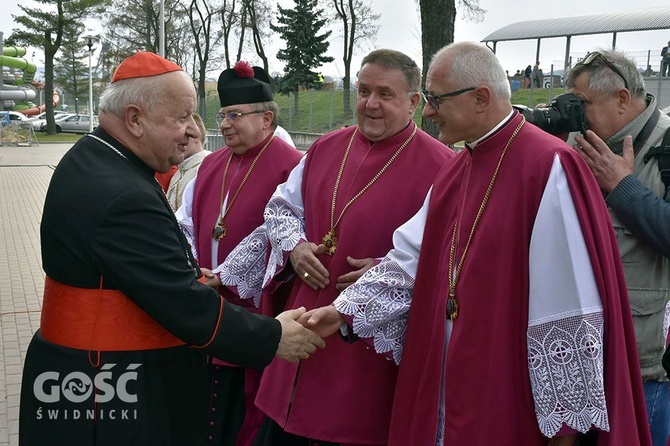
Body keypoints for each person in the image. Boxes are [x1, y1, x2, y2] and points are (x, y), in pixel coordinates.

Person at [303, 41, 651, 445]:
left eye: (435, 100)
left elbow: (567, 310)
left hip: (508, 389)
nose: (428, 112)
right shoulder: (457, 169)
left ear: (481, 98)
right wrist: (343, 312)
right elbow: (409, 259)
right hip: (449, 379)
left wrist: (564, 436)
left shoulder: (546, 165)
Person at [18, 51, 325, 445]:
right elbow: (182, 303)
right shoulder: (123, 194)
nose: (191, 130)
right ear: (134, 119)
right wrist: (272, 336)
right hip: (109, 383)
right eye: (180, 117)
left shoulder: (95, 158)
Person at [219, 48, 453, 445]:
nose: (370, 104)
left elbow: (447, 251)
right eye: (363, 91)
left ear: (414, 102)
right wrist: (293, 245)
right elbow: (280, 207)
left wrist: (386, 268)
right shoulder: (327, 147)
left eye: (385, 94)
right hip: (302, 323)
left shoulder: (443, 167)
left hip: (364, 348)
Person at [176, 60, 304, 445]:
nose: (224, 124)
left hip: (256, 304)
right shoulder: (211, 163)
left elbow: (281, 228)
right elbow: (184, 220)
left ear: (266, 119)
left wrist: (228, 275)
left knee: (242, 409)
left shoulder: (294, 165)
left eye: (235, 115)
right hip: (204, 296)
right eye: (222, 115)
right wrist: (191, 268)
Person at [565, 48, 670, 446]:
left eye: (583, 104)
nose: (575, 116)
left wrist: (622, 186)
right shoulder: (590, 145)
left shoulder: (668, 146)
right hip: (583, 358)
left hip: (645, 371)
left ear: (623, 99)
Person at [166, 112, 210, 211]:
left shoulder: (206, 169)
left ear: (197, 136)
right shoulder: (179, 171)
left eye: (186, 134)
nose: (180, 140)